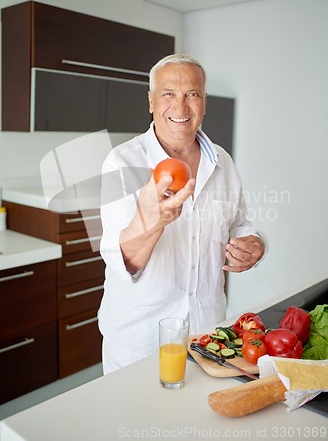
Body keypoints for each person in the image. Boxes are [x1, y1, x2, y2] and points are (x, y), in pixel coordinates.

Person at [98, 53, 266, 374]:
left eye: (192, 94)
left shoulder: (223, 161)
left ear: (204, 103)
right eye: (168, 94)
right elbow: (123, 261)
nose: (180, 107)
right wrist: (152, 222)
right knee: (136, 423)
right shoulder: (122, 162)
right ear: (150, 101)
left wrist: (253, 244)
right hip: (139, 343)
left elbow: (239, 223)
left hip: (207, 337)